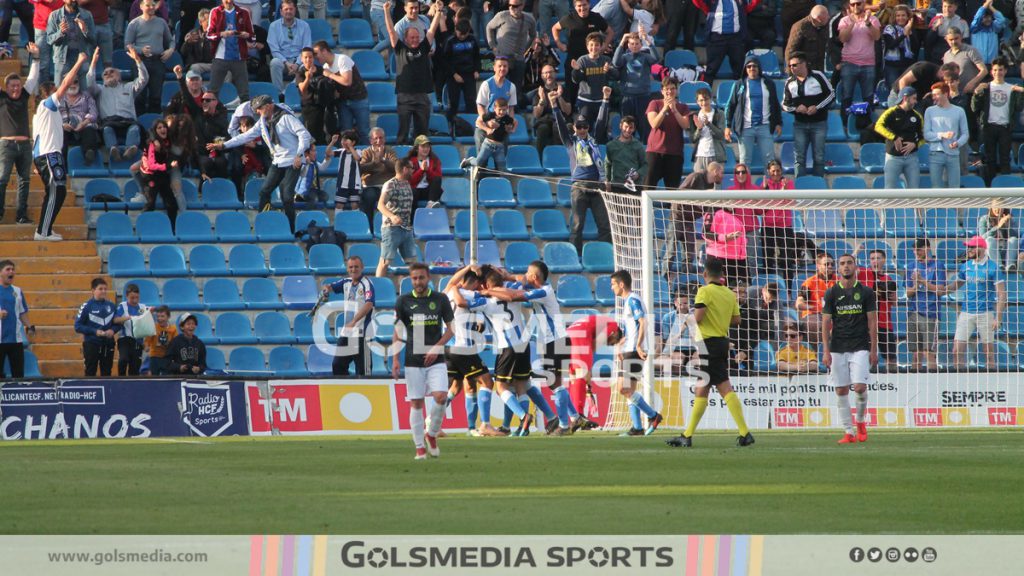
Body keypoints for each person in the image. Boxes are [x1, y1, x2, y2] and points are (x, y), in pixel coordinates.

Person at [666, 258, 754, 448]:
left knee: (722, 387)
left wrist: (687, 319)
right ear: (722, 275)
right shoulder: (729, 294)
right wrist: (719, 317)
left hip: (709, 344)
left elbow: (697, 317)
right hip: (722, 342)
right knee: (704, 387)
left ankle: (744, 432)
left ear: (705, 274)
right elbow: (737, 320)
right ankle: (687, 435)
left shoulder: (704, 291)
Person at [474, 267, 562, 436]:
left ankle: (523, 417)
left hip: (507, 347)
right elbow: (522, 279)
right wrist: (509, 275)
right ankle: (547, 418)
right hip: (523, 344)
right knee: (523, 385)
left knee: (501, 387)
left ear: (486, 285)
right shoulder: (514, 290)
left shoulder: (485, 301)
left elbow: (465, 302)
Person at [207, 94, 313, 231]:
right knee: (264, 191)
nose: (257, 112)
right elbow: (245, 136)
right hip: (278, 161)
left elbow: (304, 134)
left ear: (269, 106)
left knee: (287, 196)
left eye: (259, 109)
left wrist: (299, 154)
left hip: (293, 161)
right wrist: (224, 145)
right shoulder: (263, 121)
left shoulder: (286, 117)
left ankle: (290, 227)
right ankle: (264, 221)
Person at [393, 262, 455, 459]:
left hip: (436, 359)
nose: (418, 282)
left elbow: (451, 329)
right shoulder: (403, 301)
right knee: (416, 403)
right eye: (414, 278)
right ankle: (419, 447)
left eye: (421, 277)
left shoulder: (440, 299)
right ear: (410, 280)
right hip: (413, 360)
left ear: (428, 278)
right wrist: (395, 358)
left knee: (441, 396)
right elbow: (397, 332)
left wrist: (437, 348)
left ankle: (432, 434)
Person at [821, 253, 877, 445]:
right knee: (841, 390)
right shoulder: (831, 293)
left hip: (860, 345)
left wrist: (874, 350)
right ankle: (848, 432)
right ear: (838, 268)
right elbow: (826, 323)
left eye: (849, 263)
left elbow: (872, 322)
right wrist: (826, 351)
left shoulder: (867, 292)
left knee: (860, 387)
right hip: (838, 347)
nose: (846, 267)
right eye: (842, 263)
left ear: (856, 267)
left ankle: (860, 422)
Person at [550, 86, 612, 255]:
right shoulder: (570, 143)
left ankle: (605, 254)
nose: (583, 130)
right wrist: (554, 105)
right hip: (579, 187)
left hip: (597, 186)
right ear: (574, 128)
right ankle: (574, 256)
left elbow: (601, 123)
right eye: (579, 127)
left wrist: (605, 100)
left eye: (585, 126)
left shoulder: (594, 141)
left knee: (604, 224)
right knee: (577, 225)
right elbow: (561, 125)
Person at [443, 266, 503, 436]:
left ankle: (434, 423)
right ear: (476, 283)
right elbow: (488, 296)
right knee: (487, 382)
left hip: (449, 348)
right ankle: (485, 424)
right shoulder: (471, 295)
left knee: (457, 387)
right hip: (464, 349)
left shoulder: (448, 293)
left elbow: (452, 282)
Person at [35, 51, 88, 241]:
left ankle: (46, 228)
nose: (60, 92)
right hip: (49, 154)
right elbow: (66, 84)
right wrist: (80, 61)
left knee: (59, 190)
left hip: (51, 154)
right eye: (55, 90)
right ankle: (42, 231)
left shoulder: (49, 113)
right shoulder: (46, 105)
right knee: (56, 189)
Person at [609, 270, 664, 436]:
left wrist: (638, 346)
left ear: (621, 284)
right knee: (629, 390)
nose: (612, 288)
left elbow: (643, 321)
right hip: (630, 349)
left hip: (634, 351)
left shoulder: (632, 300)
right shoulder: (629, 301)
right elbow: (633, 327)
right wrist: (621, 345)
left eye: (613, 284)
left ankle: (653, 416)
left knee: (622, 388)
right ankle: (637, 428)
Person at [384, 0, 441, 145]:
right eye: (412, 37)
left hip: (422, 95)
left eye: (417, 37)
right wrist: (386, 12)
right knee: (403, 133)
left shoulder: (424, 47)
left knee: (421, 135)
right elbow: (391, 31)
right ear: (405, 38)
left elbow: (432, 30)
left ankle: (420, 162)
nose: (415, 39)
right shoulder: (400, 48)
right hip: (405, 96)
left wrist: (439, 11)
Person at [945, 235, 1006, 369]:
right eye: (968, 247)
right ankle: (958, 382)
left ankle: (991, 383)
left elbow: (1001, 294)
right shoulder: (966, 266)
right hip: (966, 312)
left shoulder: (993, 267)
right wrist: (933, 288)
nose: (969, 250)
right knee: (956, 351)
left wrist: (998, 318)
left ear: (982, 248)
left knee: (989, 353)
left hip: (986, 313)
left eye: (972, 247)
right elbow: (953, 287)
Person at [0, 44, 41, 225]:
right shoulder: (2, 98)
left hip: (25, 146)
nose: (16, 89)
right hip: (6, 145)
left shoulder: (24, 95)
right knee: (2, 179)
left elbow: (32, 78)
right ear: (6, 87)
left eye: (18, 85)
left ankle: (21, 215)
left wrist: (37, 57)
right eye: (12, 86)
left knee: (24, 181)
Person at [86, 45, 148, 163]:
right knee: (107, 130)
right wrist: (93, 62)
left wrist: (138, 60)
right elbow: (89, 83)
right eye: (105, 74)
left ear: (119, 76)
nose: (109, 74)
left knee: (135, 129)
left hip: (128, 121)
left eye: (112, 72)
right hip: (109, 122)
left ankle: (131, 149)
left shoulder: (129, 87)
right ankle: (113, 150)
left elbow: (144, 79)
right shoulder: (99, 90)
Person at [972, 57, 1024, 186]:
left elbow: (1018, 107)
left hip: (1005, 127)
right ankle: (990, 187)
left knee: (1005, 158)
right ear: (991, 71)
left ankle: (1005, 185)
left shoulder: (1011, 88)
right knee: (990, 159)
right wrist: (977, 93)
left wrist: (1021, 92)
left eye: (1000, 70)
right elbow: (974, 108)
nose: (997, 73)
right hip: (989, 126)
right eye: (995, 70)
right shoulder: (985, 87)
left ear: (1005, 71)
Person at [782, 52, 835, 178]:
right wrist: (796, 109)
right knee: (799, 157)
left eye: (794, 65)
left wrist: (817, 107)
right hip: (799, 124)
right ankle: (800, 188)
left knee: (819, 156)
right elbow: (784, 104)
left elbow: (831, 95)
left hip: (819, 123)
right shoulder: (789, 82)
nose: (792, 68)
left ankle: (818, 187)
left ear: (804, 64)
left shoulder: (818, 75)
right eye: (790, 66)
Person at [725, 55, 782, 170]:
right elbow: (730, 105)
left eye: (754, 66)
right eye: (749, 66)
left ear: (759, 68)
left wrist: (778, 123)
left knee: (770, 161)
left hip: (765, 126)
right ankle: (745, 188)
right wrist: (728, 125)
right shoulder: (739, 84)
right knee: (744, 162)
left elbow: (775, 104)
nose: (752, 68)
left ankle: (771, 187)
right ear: (745, 69)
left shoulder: (769, 83)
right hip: (745, 127)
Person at [323, 256, 375, 376]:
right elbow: (329, 286)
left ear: (362, 268)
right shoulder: (346, 282)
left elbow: (369, 304)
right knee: (337, 365)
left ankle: (365, 393)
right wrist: (326, 291)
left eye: (356, 267)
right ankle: (344, 391)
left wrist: (353, 321)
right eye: (351, 267)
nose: (353, 269)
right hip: (348, 332)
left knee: (363, 372)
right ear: (347, 269)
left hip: (363, 333)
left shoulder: (367, 283)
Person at [552, 0, 612, 104]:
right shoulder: (569, 18)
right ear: (575, 7)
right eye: (579, 6)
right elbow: (555, 28)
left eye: (584, 5)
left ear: (589, 5)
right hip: (574, 59)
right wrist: (559, 44)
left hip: (592, 61)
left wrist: (604, 46)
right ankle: (569, 116)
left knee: (593, 90)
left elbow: (610, 32)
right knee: (571, 90)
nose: (582, 8)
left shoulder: (596, 17)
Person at [565, 313, 623, 417]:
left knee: (574, 376)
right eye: (613, 343)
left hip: (568, 334)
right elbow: (595, 344)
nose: (610, 344)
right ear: (615, 334)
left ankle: (574, 415)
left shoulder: (599, 321)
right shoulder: (613, 325)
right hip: (580, 335)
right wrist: (588, 376)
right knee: (582, 375)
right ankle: (579, 414)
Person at [313, 40, 370, 145]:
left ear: (324, 51)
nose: (315, 57)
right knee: (346, 134)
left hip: (358, 99)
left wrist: (330, 75)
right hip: (343, 102)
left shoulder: (342, 59)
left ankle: (367, 158)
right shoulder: (325, 67)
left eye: (316, 53)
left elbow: (347, 81)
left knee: (364, 132)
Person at [671, 162, 723, 275]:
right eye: (721, 172)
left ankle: (686, 280)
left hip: (690, 221)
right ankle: (664, 280)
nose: (722, 175)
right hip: (677, 218)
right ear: (715, 171)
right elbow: (680, 192)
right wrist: (703, 193)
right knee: (670, 252)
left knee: (690, 254)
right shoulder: (695, 176)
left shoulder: (710, 186)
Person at [837, 0, 881, 126]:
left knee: (868, 96)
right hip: (849, 62)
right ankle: (844, 125)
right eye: (853, 4)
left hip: (868, 63)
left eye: (859, 3)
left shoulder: (873, 19)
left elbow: (877, 37)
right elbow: (843, 38)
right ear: (849, 6)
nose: (856, 6)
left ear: (864, 4)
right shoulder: (845, 20)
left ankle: (868, 125)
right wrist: (852, 23)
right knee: (847, 96)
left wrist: (867, 23)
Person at [124, 0, 172, 114]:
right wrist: (140, 49)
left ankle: (155, 123)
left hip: (157, 62)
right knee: (140, 97)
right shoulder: (134, 23)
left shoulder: (162, 22)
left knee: (156, 96)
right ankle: (140, 124)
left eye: (153, 5)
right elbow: (127, 45)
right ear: (141, 6)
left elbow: (170, 41)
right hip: (140, 61)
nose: (151, 7)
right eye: (148, 5)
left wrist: (170, 50)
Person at [643, 77, 690, 190]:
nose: (670, 91)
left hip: (675, 153)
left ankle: (671, 208)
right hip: (655, 152)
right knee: (648, 187)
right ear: (662, 91)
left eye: (672, 88)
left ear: (677, 90)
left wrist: (674, 109)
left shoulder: (683, 107)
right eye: (667, 89)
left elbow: (685, 125)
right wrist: (664, 109)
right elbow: (654, 124)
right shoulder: (654, 103)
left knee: (672, 190)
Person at [905, 238, 945, 370]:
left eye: (919, 249)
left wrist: (922, 281)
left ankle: (933, 384)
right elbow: (908, 293)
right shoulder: (911, 266)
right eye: (914, 249)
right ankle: (913, 385)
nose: (916, 252)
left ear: (927, 248)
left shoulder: (937, 265)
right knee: (916, 354)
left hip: (930, 312)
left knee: (929, 352)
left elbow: (940, 291)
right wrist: (917, 284)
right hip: (913, 312)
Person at [692, 0, 757, 82]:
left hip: (735, 38)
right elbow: (698, 3)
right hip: (717, 39)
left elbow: (749, 7)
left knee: (740, 71)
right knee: (711, 70)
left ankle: (740, 93)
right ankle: (705, 94)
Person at [613, 31, 659, 142]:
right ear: (628, 45)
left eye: (637, 43)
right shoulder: (625, 57)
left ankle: (644, 150)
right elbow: (615, 62)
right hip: (627, 96)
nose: (634, 46)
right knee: (626, 126)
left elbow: (656, 58)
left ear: (641, 44)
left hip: (643, 97)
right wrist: (621, 42)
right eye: (632, 43)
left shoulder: (645, 57)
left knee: (644, 128)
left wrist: (647, 39)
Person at [206, 0, 255, 105]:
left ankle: (246, 118)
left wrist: (247, 35)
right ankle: (210, 117)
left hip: (239, 58)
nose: (228, 1)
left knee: (244, 94)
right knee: (213, 92)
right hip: (220, 57)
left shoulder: (244, 12)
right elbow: (209, 35)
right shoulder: (215, 12)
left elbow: (253, 37)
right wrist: (221, 34)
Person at [875, 86, 924, 189]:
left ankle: (914, 206)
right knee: (889, 189)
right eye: (914, 98)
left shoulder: (917, 116)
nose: (916, 101)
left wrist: (915, 144)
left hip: (911, 158)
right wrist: (894, 137)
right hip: (893, 157)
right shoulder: (891, 112)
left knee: (915, 191)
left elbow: (923, 137)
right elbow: (878, 126)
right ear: (905, 98)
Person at [924, 81, 969, 190]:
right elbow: (926, 134)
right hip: (935, 153)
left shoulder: (959, 111)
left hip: (953, 154)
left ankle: (954, 207)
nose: (933, 97)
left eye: (936, 94)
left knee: (955, 188)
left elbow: (965, 134)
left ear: (945, 94)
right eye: (933, 94)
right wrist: (942, 135)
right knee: (936, 188)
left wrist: (957, 143)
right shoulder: (929, 111)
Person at [376, 158, 416, 278]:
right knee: (385, 262)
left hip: (406, 229)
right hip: (392, 229)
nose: (413, 171)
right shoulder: (391, 184)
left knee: (414, 263)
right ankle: (377, 289)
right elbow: (380, 205)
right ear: (404, 169)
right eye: (411, 168)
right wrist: (392, 216)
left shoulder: (407, 184)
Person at [570, 32, 619, 129]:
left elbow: (617, 76)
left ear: (601, 46)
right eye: (591, 45)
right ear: (587, 46)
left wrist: (609, 70)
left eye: (597, 45)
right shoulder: (582, 60)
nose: (594, 48)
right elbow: (575, 80)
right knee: (585, 129)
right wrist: (576, 70)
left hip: (602, 100)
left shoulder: (606, 60)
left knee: (602, 129)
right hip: (585, 101)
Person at [857, 249, 897, 366]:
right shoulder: (864, 273)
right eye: (872, 258)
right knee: (866, 356)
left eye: (878, 258)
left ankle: (891, 382)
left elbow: (894, 303)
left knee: (891, 358)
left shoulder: (888, 279)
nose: (875, 261)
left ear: (884, 260)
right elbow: (848, 269)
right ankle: (868, 381)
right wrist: (856, 252)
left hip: (884, 322)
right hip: (865, 323)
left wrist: (891, 295)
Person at [74, 277, 120, 376]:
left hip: (108, 344)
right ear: (93, 290)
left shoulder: (111, 306)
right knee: (90, 372)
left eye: (105, 289)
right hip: (92, 344)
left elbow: (117, 323)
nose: (103, 291)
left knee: (107, 372)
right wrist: (95, 332)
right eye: (100, 289)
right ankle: (90, 391)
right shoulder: (86, 306)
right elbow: (77, 326)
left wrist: (112, 331)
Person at [460, 97, 516, 178]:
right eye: (499, 109)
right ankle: (469, 161)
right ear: (494, 108)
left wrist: (511, 130)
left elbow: (515, 122)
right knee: (479, 163)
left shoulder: (507, 118)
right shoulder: (490, 115)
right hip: (488, 145)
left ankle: (503, 186)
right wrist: (487, 129)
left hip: (499, 147)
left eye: (504, 110)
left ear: (507, 109)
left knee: (502, 170)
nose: (501, 112)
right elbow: (478, 122)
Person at [485, 0, 536, 88]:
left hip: (519, 59)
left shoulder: (530, 19)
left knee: (516, 89)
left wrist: (525, 49)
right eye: (509, 5)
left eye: (515, 6)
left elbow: (533, 35)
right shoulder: (502, 15)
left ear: (522, 5)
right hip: (502, 58)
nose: (511, 7)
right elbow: (489, 27)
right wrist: (493, 46)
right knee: (501, 87)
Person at [441, 20, 480, 132]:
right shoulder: (450, 41)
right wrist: (454, 74)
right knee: (453, 103)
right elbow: (444, 61)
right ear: (455, 30)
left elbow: (477, 56)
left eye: (465, 34)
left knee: (471, 102)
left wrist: (477, 70)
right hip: (453, 75)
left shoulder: (473, 40)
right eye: (460, 33)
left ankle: (472, 128)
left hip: (469, 74)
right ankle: (451, 127)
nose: (462, 36)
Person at [46, 0, 95, 88]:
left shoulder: (87, 15)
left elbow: (93, 39)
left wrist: (85, 30)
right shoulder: (54, 15)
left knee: (84, 92)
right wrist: (60, 32)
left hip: (81, 58)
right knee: (60, 92)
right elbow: (49, 40)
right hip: (62, 60)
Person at [358, 127, 398, 235]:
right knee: (368, 197)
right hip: (371, 185)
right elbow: (361, 168)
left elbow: (396, 167)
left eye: (381, 138)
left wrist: (383, 160)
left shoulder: (390, 151)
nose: (378, 141)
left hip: (387, 186)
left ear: (384, 139)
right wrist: (374, 163)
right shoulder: (366, 152)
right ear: (371, 140)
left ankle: (395, 229)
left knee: (398, 197)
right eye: (376, 138)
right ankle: (369, 229)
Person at [473, 56, 518, 152]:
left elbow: (511, 109)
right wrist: (487, 122)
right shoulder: (486, 84)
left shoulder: (511, 87)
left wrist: (509, 124)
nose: (502, 68)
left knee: (501, 159)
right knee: (482, 158)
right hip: (485, 125)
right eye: (500, 66)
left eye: (505, 66)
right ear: (494, 68)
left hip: (501, 125)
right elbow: (480, 105)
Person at [268, 0, 312, 95]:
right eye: (286, 9)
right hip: (283, 62)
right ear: (281, 11)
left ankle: (290, 90)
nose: (288, 11)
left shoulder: (304, 26)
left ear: (295, 10)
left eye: (291, 9)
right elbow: (275, 50)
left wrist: (297, 63)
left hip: (299, 61)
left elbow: (306, 48)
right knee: (274, 62)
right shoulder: (273, 26)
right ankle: (279, 94)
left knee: (307, 64)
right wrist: (287, 63)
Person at [0, 260, 33, 378]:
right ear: (0, 273)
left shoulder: (17, 291)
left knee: (18, 374)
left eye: (13, 269)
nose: (11, 272)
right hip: (0, 339)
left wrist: (29, 326)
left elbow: (22, 311)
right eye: (8, 269)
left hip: (15, 339)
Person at [797, 252, 837, 345]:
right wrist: (813, 307)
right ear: (818, 266)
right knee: (814, 323)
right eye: (826, 264)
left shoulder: (839, 282)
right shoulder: (809, 283)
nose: (830, 266)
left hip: (834, 315)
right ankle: (815, 353)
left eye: (832, 264)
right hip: (814, 315)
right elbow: (799, 303)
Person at [702, 205, 748, 284]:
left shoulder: (732, 214)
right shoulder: (714, 211)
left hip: (739, 258)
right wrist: (725, 237)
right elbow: (705, 233)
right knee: (720, 289)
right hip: (720, 258)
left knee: (741, 289)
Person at [532, 64, 572, 153]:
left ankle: (559, 156)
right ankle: (540, 158)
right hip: (545, 120)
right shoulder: (539, 92)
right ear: (542, 76)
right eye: (545, 73)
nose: (548, 75)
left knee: (558, 127)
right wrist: (542, 99)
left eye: (550, 72)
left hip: (561, 119)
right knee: (542, 129)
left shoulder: (563, 89)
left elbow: (568, 111)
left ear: (555, 74)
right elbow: (536, 114)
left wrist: (559, 97)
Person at [687, 87, 726, 173]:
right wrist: (699, 129)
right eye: (701, 100)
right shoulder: (694, 116)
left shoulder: (719, 114)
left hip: (716, 155)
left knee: (716, 185)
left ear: (711, 99)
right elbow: (693, 139)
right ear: (697, 101)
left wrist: (708, 124)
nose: (704, 103)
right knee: (699, 184)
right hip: (700, 155)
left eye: (706, 99)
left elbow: (721, 135)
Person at [605, 114, 646, 194]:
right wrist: (607, 181)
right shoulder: (611, 145)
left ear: (634, 129)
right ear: (620, 126)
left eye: (631, 127)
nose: (628, 130)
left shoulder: (638, 146)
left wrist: (638, 173)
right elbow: (607, 164)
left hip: (635, 187)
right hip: (617, 187)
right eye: (626, 126)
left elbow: (645, 165)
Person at [785, 4, 831, 71]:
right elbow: (791, 51)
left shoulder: (826, 26)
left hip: (819, 68)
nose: (828, 17)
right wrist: (791, 71)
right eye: (826, 15)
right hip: (803, 69)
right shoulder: (800, 27)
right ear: (818, 18)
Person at [978, 199, 1019, 271]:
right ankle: (998, 266)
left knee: (1013, 239)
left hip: (1006, 250)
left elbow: (1016, 235)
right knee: (989, 239)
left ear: (1004, 208)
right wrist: (998, 226)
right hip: (991, 251)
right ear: (990, 207)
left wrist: (1007, 226)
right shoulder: (984, 219)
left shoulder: (1011, 219)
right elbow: (982, 238)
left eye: (1000, 206)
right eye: (995, 206)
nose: (997, 209)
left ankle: (1010, 266)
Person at [942, 27, 987, 94]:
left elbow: (984, 70)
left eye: (956, 38)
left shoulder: (970, 51)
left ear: (961, 37)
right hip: (955, 94)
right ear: (946, 39)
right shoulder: (946, 55)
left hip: (971, 92)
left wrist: (972, 83)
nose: (954, 42)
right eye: (951, 39)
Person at [882, 4, 916, 89]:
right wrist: (904, 34)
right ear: (894, 17)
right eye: (898, 16)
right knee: (894, 91)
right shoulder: (889, 29)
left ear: (908, 17)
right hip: (892, 66)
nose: (901, 18)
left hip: (907, 65)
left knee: (906, 91)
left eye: (903, 15)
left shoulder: (911, 29)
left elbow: (916, 47)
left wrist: (910, 33)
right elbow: (891, 45)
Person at [114, 283, 145, 376]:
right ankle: (121, 378)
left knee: (135, 366)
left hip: (138, 340)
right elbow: (115, 319)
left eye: (137, 298)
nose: (135, 300)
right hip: (125, 339)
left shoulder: (143, 307)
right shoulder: (122, 306)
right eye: (132, 298)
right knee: (123, 359)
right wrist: (127, 317)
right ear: (127, 296)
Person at [144, 305, 176, 375]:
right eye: (158, 316)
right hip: (154, 356)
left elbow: (176, 343)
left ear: (168, 317)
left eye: (162, 316)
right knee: (154, 376)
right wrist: (146, 346)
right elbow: (147, 340)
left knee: (166, 376)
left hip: (167, 357)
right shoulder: (153, 327)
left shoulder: (173, 329)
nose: (160, 318)